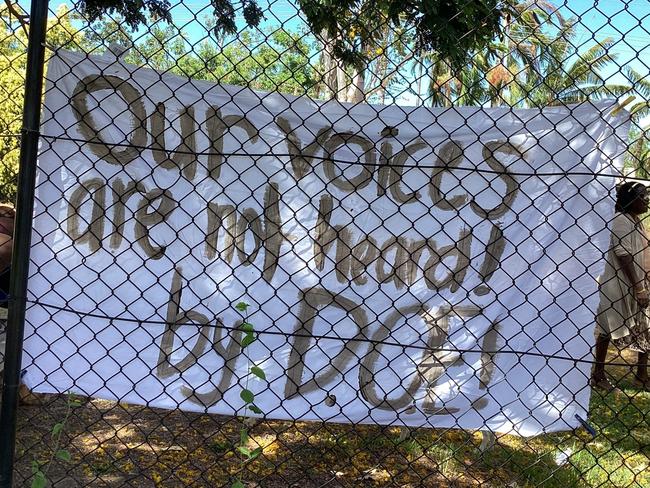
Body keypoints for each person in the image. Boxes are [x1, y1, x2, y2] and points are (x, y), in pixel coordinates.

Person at [593, 182, 650, 391]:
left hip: (637, 282)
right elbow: (623, 254)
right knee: (608, 327)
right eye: (642, 196)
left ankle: (642, 375)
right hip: (619, 282)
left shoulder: (636, 221)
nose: (647, 200)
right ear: (630, 199)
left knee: (645, 326)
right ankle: (598, 376)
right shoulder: (620, 220)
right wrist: (639, 288)